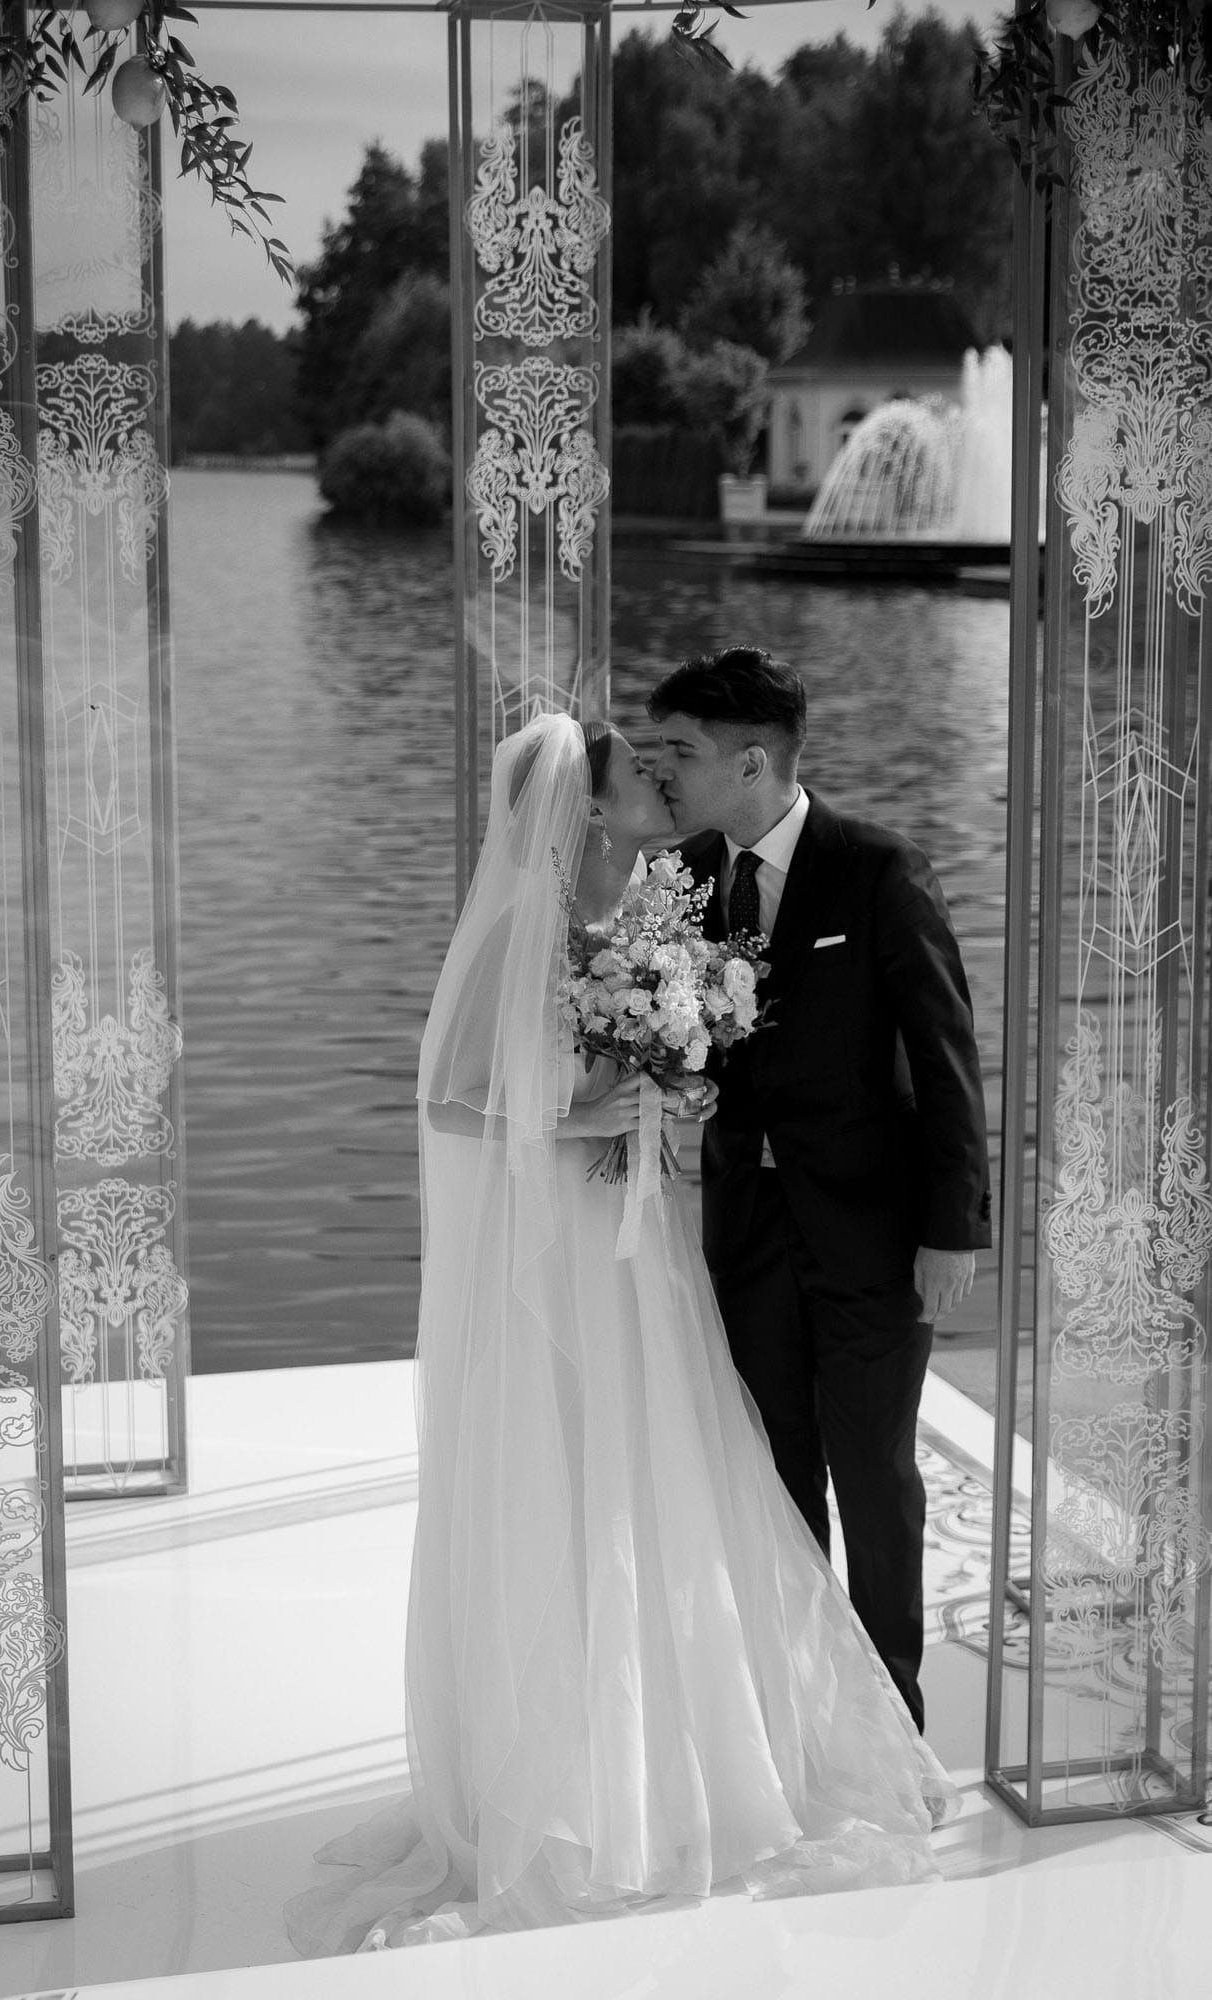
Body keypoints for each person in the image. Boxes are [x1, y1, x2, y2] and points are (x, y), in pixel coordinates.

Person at [284, 711, 958, 1958]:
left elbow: (682, 1064)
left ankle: (705, 1746)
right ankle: (582, 1779)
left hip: (644, 1245)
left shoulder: (655, 907)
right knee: (578, 1475)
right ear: (589, 808)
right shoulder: (524, 930)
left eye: (663, 768)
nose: (657, 783)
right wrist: (584, 1114)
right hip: (570, 1248)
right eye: (637, 775)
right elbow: (451, 1098)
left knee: (673, 1475)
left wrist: (674, 1080)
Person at [648, 647, 992, 1732]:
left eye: (681, 751)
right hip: (745, 1232)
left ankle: (892, 1720)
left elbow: (944, 1059)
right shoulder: (683, 881)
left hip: (874, 1238)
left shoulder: (880, 870)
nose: (662, 771)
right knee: (775, 1473)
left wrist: (952, 1230)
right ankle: (798, 1717)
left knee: (874, 1474)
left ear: (751, 762)